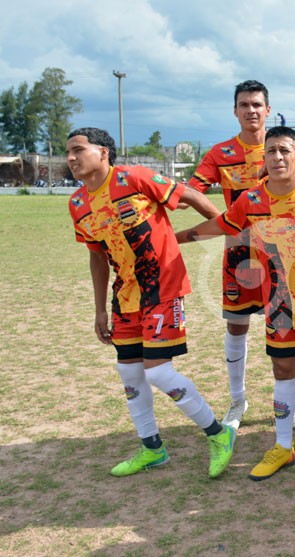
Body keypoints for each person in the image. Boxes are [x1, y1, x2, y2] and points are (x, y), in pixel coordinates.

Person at [176, 127, 295, 487]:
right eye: (271, 151)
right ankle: (283, 445)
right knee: (283, 371)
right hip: (279, 302)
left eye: (285, 151)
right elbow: (222, 225)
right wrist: (174, 238)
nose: (277, 157)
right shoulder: (250, 201)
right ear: (263, 158)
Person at [66, 127, 235, 479]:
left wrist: (228, 232)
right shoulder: (78, 204)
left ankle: (219, 435)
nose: (71, 158)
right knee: (129, 372)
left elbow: (189, 196)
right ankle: (152, 449)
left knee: (158, 371)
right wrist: (99, 308)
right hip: (125, 296)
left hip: (164, 286)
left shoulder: (135, 178)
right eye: (68, 152)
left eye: (78, 150)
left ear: (103, 153)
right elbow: (97, 257)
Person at [189, 80, 295, 431]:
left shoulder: (283, 147)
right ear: (235, 111)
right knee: (237, 324)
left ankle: (293, 404)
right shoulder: (221, 153)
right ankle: (238, 400)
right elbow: (189, 191)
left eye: (257, 104)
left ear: (268, 110)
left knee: (286, 326)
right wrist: (230, 221)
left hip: (283, 255)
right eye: (244, 105)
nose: (251, 110)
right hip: (240, 254)